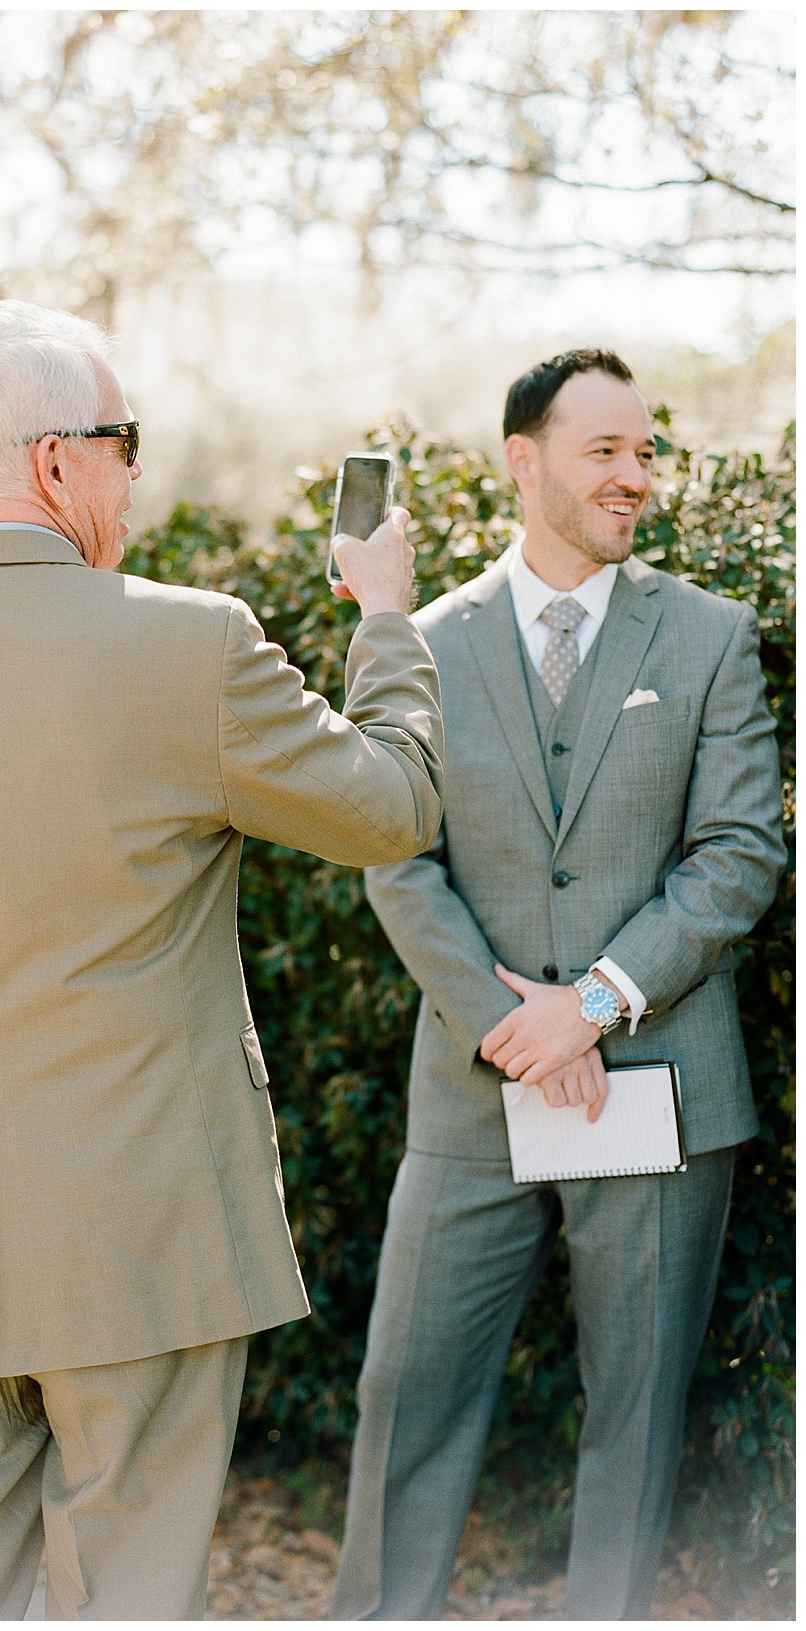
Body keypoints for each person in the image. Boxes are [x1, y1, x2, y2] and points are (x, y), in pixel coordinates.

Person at [0, 298, 444, 1620]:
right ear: (58, 462)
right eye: (125, 440)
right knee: (129, 1590)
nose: (137, 469)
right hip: (149, 1239)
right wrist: (387, 621)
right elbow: (393, 806)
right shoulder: (192, 644)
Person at [330, 349, 786, 1621]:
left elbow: (742, 851)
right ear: (524, 460)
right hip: (471, 1100)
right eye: (605, 451)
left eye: (647, 452)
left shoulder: (706, 636)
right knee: (407, 1399)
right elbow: (395, 857)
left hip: (658, 1087)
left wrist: (587, 1005)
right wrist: (509, 1025)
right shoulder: (424, 644)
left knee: (633, 1430)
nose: (635, 476)